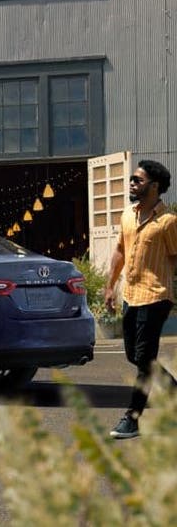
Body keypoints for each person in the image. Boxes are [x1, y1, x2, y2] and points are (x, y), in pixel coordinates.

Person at [103, 159, 177, 440]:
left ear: (154, 186)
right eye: (132, 179)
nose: (132, 184)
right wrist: (110, 287)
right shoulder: (127, 215)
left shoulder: (168, 222)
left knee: (145, 359)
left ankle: (132, 419)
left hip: (156, 296)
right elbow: (120, 251)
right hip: (131, 296)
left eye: (138, 180)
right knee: (137, 357)